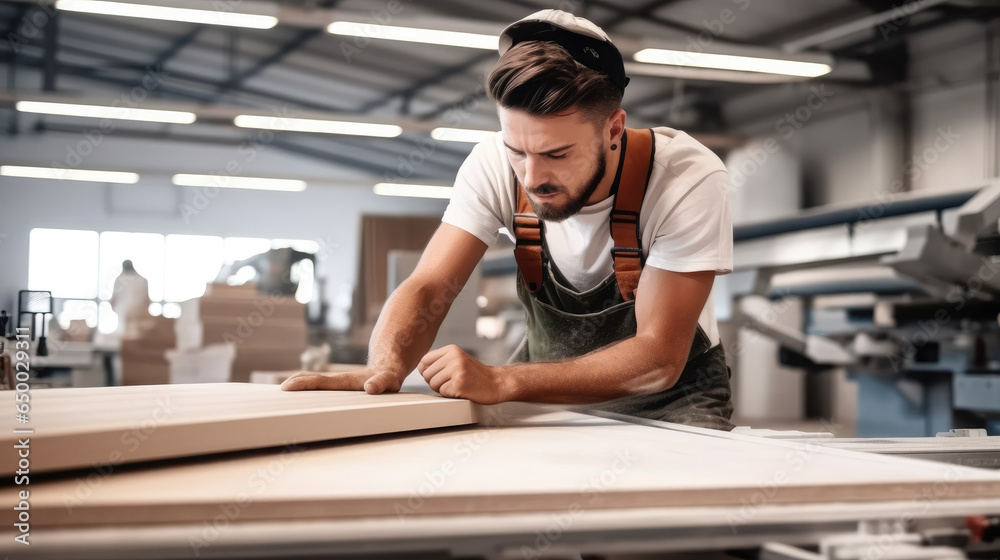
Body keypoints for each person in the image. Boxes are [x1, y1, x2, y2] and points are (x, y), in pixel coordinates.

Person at [283, 9, 735, 430]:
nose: (533, 177)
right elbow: (429, 286)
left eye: (557, 154)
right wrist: (385, 365)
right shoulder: (491, 164)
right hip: (545, 395)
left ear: (613, 129)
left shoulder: (687, 178)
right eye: (517, 151)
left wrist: (503, 381)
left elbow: (659, 358)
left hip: (670, 401)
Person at [110, 259, 151, 338]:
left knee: (125, 334)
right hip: (137, 310)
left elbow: (114, 299)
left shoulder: (119, 280)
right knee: (135, 335)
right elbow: (147, 300)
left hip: (125, 310)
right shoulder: (142, 280)